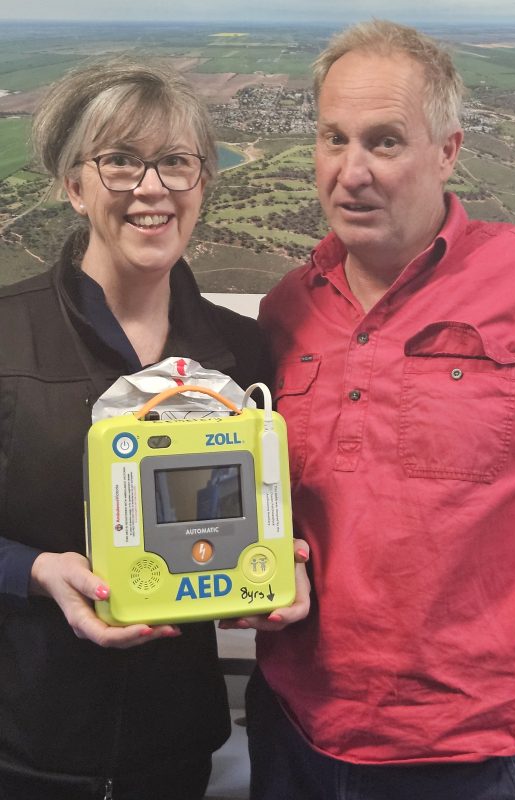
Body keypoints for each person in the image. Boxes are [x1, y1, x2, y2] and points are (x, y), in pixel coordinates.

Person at [246, 19, 515, 800]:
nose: (351, 171)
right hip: (291, 729)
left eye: (385, 141)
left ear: (449, 151)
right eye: (333, 139)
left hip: (468, 754)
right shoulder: (286, 312)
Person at [0, 56, 308, 800]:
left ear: (201, 184)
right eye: (120, 162)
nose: (151, 188)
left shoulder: (242, 352)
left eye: (176, 163)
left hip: (172, 750)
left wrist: (283, 562)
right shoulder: (6, 334)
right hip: (23, 746)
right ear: (74, 187)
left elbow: (263, 518)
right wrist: (35, 572)